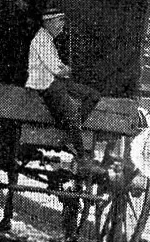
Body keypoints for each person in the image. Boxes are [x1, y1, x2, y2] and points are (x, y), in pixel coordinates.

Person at [26, 9, 102, 172]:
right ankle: (81, 156)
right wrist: (68, 70)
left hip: (56, 81)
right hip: (45, 84)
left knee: (93, 96)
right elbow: (57, 69)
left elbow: (60, 68)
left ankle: (70, 127)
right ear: (49, 22)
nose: (62, 26)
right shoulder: (41, 40)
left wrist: (66, 70)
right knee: (73, 113)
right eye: (59, 21)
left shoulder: (48, 39)